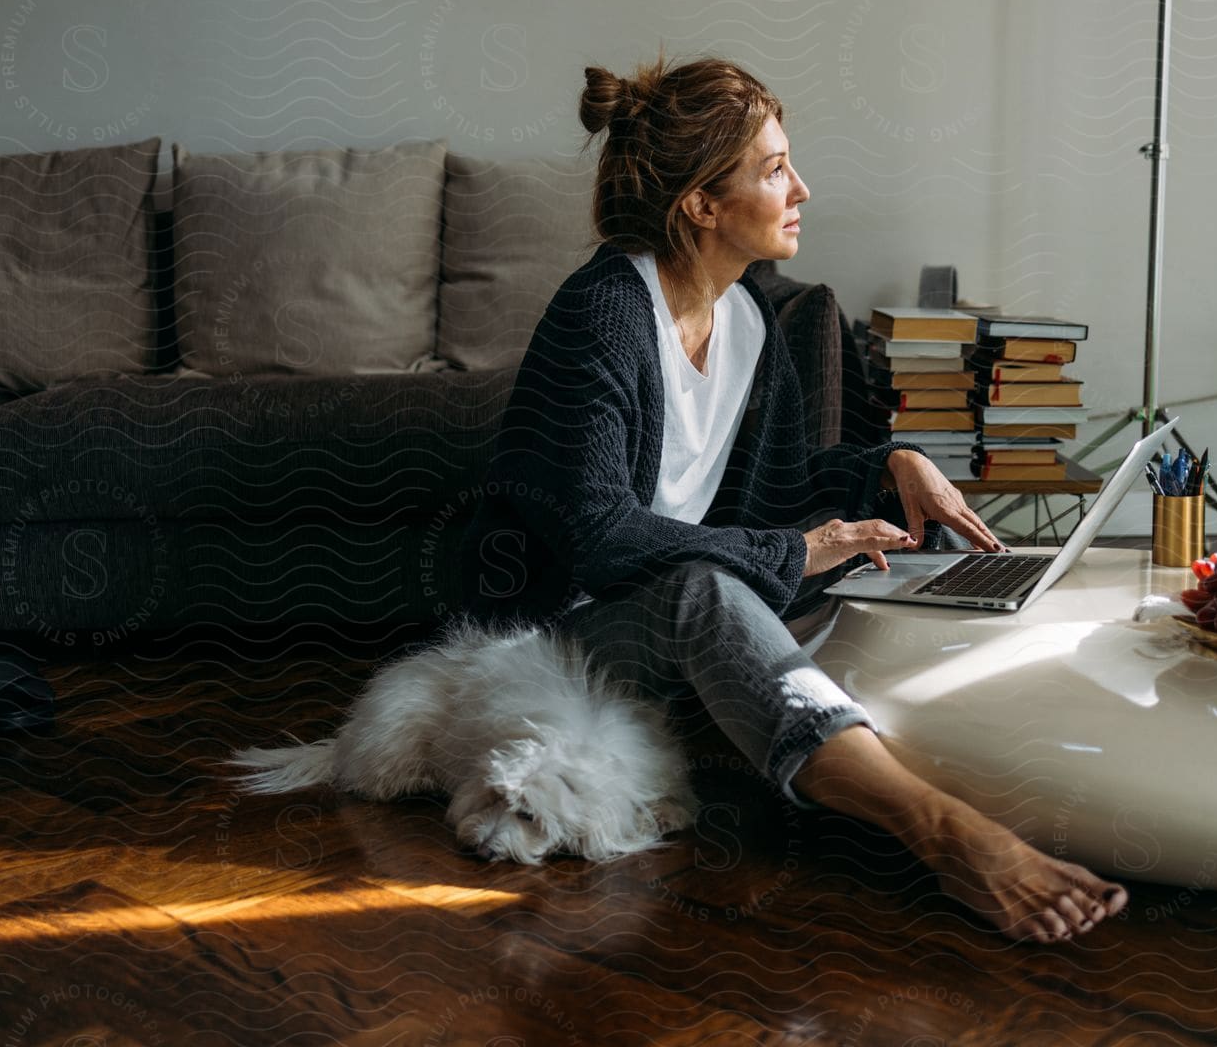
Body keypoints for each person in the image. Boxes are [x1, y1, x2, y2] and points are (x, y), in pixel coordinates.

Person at [457, 54, 1127, 943]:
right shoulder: (605, 312)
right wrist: (794, 554)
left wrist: (893, 464)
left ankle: (1028, 764)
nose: (801, 187)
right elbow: (599, 537)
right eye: (774, 170)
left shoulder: (748, 320)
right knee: (711, 592)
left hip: (682, 596)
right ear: (700, 202)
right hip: (567, 631)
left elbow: (776, 493)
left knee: (902, 563)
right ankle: (943, 830)